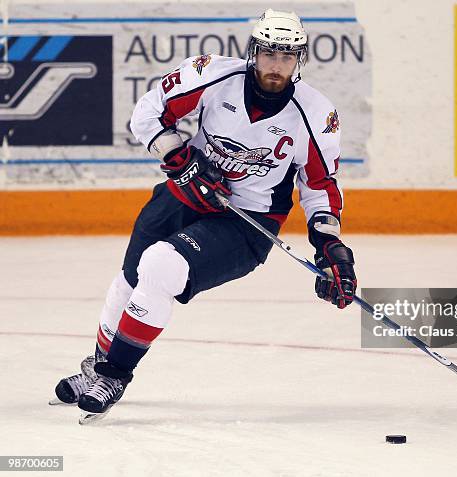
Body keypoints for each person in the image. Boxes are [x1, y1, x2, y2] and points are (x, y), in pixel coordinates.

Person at [50, 9, 358, 423]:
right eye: (269, 53)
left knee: (160, 266)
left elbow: (319, 186)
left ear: (299, 59)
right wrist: (180, 158)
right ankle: (98, 365)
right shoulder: (213, 75)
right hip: (182, 195)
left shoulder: (316, 115)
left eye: (287, 56)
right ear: (254, 52)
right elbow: (147, 112)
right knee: (128, 280)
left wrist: (330, 246)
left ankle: (113, 374)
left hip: (245, 222)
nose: (276, 65)